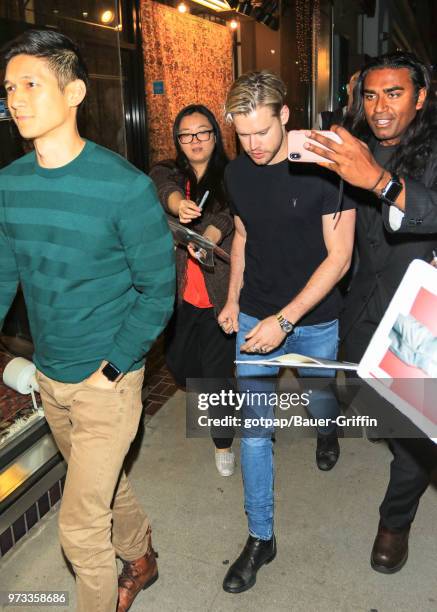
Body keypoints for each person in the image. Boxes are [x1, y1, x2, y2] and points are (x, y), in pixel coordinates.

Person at [0, 30, 175, 612]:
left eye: (30, 84)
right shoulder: (9, 184)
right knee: (101, 488)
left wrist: (114, 366)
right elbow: (4, 275)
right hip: (51, 378)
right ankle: (142, 556)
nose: (16, 99)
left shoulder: (124, 189)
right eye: (8, 88)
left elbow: (158, 290)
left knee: (78, 529)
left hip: (108, 380)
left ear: (73, 91)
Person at [217, 70, 356, 593]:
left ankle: (326, 428)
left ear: (285, 117)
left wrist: (287, 320)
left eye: (262, 131)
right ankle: (260, 538)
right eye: (242, 133)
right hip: (256, 316)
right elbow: (245, 234)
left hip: (314, 317)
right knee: (256, 431)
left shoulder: (324, 171)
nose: (252, 144)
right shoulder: (236, 173)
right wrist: (233, 299)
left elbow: (340, 258)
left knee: (320, 397)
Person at [305, 51, 437, 574]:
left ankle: (394, 521)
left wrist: (381, 182)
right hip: (361, 303)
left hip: (418, 315)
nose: (380, 107)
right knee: (365, 397)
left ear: (421, 97)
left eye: (395, 93)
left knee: (411, 431)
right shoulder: (353, 147)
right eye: (371, 94)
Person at [150, 104, 235, 476]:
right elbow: (160, 187)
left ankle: (224, 441)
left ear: (215, 136)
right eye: (186, 135)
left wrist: (211, 235)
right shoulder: (170, 172)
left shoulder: (233, 175)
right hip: (182, 294)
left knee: (215, 377)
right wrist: (176, 204)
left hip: (219, 294)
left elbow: (229, 213)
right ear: (178, 141)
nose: (195, 141)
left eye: (203, 133)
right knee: (182, 369)